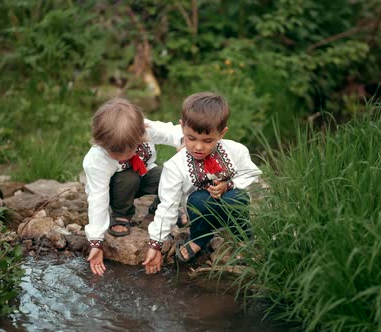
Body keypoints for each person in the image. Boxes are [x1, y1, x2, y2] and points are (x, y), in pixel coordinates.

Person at [143, 92, 262, 274]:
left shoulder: (236, 150)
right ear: (182, 127)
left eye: (208, 141)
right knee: (197, 199)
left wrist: (228, 185)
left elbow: (251, 173)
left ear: (221, 133)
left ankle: (243, 238)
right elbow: (168, 206)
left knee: (235, 197)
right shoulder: (175, 166)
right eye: (191, 138)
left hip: (230, 207)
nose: (198, 147)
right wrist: (155, 244)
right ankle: (199, 238)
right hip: (200, 212)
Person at [83, 98, 182, 276]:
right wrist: (96, 241)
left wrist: (185, 142)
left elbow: (172, 132)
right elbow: (98, 198)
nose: (123, 157)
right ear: (100, 143)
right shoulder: (96, 160)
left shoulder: (147, 129)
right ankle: (122, 214)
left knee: (169, 175)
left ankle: (157, 211)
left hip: (144, 175)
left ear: (140, 135)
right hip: (117, 188)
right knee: (128, 176)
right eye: (115, 153)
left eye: (129, 151)